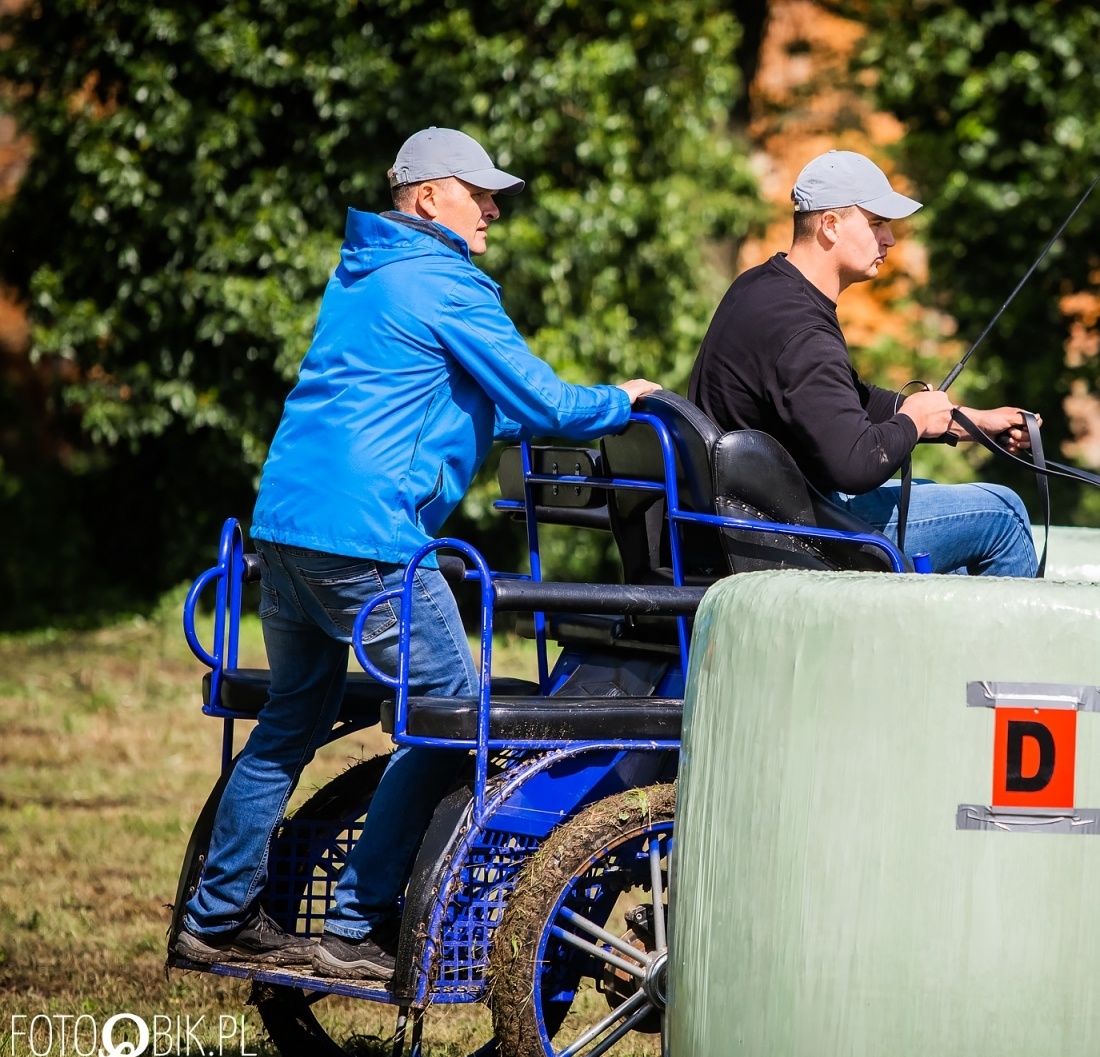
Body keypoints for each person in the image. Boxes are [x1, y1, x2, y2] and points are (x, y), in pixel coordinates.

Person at [173, 127, 660, 979]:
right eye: (480, 193)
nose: (494, 208)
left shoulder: (368, 274)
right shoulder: (445, 279)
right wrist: (620, 398)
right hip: (370, 543)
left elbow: (437, 404)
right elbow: (545, 400)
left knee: (289, 721)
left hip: (285, 533)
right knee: (454, 721)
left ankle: (216, 917)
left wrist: (539, 416)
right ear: (429, 196)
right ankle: (355, 930)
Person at [687, 150, 1038, 577]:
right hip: (792, 535)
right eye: (876, 223)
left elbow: (847, 401)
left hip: (762, 515)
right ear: (830, 226)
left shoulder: (761, 288)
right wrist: (912, 419)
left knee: (955, 540)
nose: (889, 239)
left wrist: (972, 422)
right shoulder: (801, 331)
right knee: (1004, 514)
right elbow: (854, 465)